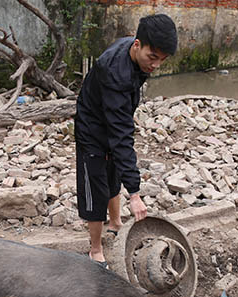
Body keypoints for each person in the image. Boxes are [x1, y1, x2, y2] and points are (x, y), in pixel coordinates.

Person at [75, 14, 178, 268]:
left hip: (110, 116)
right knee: (96, 188)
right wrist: (135, 193)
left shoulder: (134, 55)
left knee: (113, 174)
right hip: (91, 129)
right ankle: (96, 249)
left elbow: (119, 129)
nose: (155, 65)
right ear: (137, 45)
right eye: (152, 57)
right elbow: (122, 135)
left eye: (161, 60)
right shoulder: (115, 72)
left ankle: (116, 222)